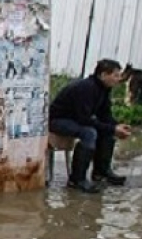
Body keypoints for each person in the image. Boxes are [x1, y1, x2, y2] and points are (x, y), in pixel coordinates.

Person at [49, 58, 132, 193]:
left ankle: (101, 173)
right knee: (89, 132)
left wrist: (117, 126)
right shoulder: (86, 88)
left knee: (107, 132)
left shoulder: (104, 89)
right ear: (103, 75)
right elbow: (84, 119)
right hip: (58, 120)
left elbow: (105, 115)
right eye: (115, 75)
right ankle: (76, 179)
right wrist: (112, 128)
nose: (119, 79)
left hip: (76, 119)